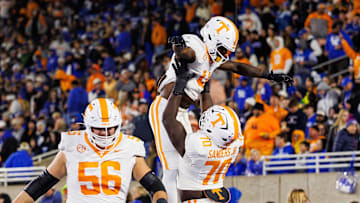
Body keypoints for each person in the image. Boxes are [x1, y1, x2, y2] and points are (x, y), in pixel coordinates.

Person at [150, 16, 292, 202]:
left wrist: (268, 75)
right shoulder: (198, 50)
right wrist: (178, 46)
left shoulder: (212, 58)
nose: (225, 54)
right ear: (211, 38)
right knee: (172, 165)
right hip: (164, 109)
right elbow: (187, 53)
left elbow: (238, 66)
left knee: (185, 163)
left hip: (182, 111)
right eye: (223, 49)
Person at [13, 98, 167, 203]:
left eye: (110, 129)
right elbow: (41, 184)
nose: (105, 134)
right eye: (99, 129)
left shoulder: (129, 147)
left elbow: (154, 185)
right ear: (88, 126)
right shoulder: (72, 145)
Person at [162, 58, 243, 202]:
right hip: (213, 195)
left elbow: (168, 119)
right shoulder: (235, 143)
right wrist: (205, 86)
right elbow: (208, 112)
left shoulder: (198, 147)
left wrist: (179, 85)